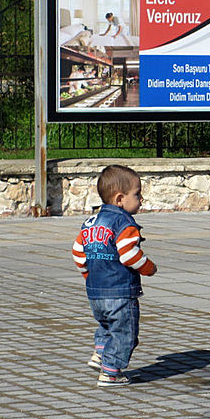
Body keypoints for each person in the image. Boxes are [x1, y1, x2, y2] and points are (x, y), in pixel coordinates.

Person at [72, 165, 157, 386]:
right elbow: (129, 255)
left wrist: (88, 276)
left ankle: (100, 354)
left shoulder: (90, 223)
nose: (141, 198)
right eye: (137, 194)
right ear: (120, 199)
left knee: (107, 324)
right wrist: (148, 267)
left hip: (95, 292)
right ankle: (111, 372)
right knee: (125, 333)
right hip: (119, 290)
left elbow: (78, 253)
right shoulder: (124, 224)